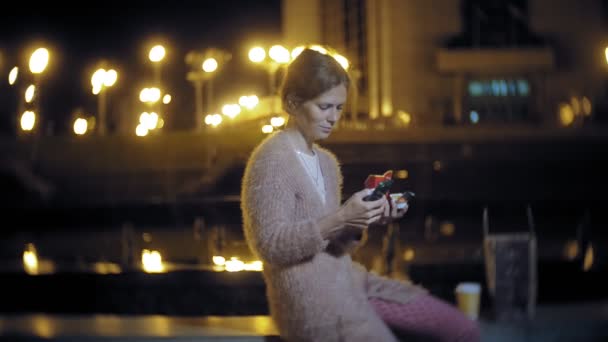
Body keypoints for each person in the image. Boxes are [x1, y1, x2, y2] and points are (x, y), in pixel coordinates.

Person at [241, 48, 480, 342]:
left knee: (461, 328)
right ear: (292, 102)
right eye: (325, 106)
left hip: (353, 283)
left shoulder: (327, 163)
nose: (334, 118)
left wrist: (365, 217)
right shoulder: (270, 160)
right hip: (316, 307)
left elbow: (334, 246)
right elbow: (270, 245)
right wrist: (341, 216)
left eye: (339, 108)